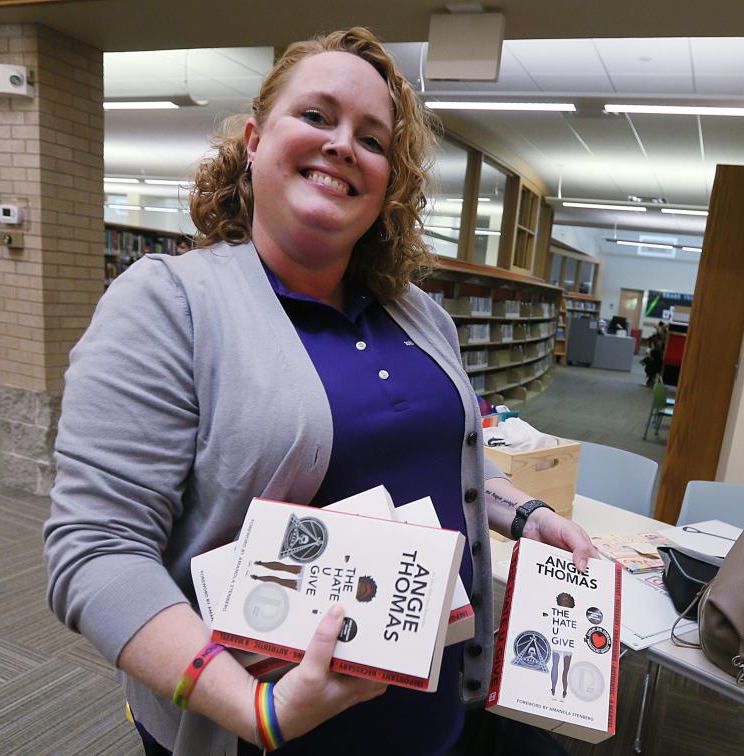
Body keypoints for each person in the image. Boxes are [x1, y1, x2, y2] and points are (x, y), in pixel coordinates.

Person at [44, 27, 597, 756]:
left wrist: (522, 515)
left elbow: (442, 455)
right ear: (252, 139)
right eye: (315, 116)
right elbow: (95, 549)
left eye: (372, 139)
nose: (342, 145)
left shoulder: (418, 312)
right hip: (268, 729)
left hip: (438, 701)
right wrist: (251, 707)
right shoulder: (168, 303)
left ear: (387, 181)